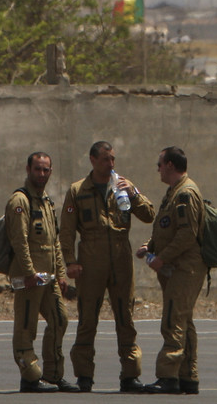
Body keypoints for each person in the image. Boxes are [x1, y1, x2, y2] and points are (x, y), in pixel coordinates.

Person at [60, 141, 155, 392]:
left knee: (126, 317)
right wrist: (70, 261)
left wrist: (133, 193)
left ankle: (130, 375)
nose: (111, 164)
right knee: (87, 318)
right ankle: (84, 376)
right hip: (91, 260)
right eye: (105, 159)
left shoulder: (123, 185)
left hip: (121, 258)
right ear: (92, 160)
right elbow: (67, 230)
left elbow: (149, 215)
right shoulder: (78, 190)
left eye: (113, 159)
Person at [6, 152, 79, 393]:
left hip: (48, 278)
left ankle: (53, 375)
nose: (42, 174)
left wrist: (60, 274)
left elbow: (54, 241)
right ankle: (30, 376)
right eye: (37, 169)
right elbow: (20, 241)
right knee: (26, 327)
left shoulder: (46, 200)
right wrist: (28, 273)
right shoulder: (20, 201)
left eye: (46, 170)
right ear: (28, 169)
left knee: (60, 319)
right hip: (30, 279)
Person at [136, 146, 207, 395]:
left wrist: (162, 258)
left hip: (184, 268)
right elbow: (168, 228)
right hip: (175, 266)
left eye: (160, 165)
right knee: (183, 319)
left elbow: (187, 234)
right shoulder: (174, 192)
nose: (157, 170)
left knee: (172, 320)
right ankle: (188, 376)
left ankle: (168, 376)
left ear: (170, 165)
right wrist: (151, 247)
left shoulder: (186, 193)